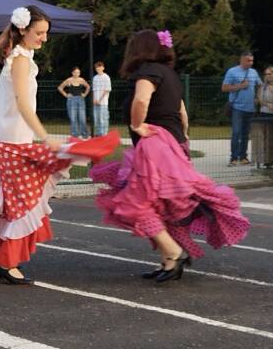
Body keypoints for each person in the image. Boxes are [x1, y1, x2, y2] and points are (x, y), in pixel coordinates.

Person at [0, 6, 119, 284]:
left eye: (46, 33)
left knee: (23, 200)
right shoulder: (20, 59)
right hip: (12, 143)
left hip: (14, 140)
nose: (44, 38)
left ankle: (7, 263)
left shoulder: (23, 56)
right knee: (24, 202)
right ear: (22, 29)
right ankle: (7, 265)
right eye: (39, 33)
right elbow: (22, 104)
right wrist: (45, 137)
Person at [91, 30, 250, 282]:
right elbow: (182, 113)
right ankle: (168, 262)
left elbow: (141, 100)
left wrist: (138, 125)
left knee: (135, 204)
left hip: (155, 146)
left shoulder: (147, 72)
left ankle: (174, 252)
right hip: (173, 144)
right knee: (163, 206)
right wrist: (180, 140)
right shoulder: (170, 74)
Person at [222, 51, 262, 166]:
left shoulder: (254, 72)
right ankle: (233, 158)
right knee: (236, 132)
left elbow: (260, 85)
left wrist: (257, 97)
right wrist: (241, 86)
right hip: (237, 108)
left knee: (245, 134)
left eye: (252, 60)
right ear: (242, 60)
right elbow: (224, 88)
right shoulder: (232, 71)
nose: (251, 63)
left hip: (250, 108)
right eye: (248, 60)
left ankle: (243, 157)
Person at [58, 66, 90, 138]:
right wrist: (65, 94)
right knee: (73, 118)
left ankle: (84, 135)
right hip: (71, 100)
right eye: (75, 72)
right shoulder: (69, 80)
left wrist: (85, 94)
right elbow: (60, 87)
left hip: (80, 100)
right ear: (72, 73)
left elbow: (88, 87)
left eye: (78, 72)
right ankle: (74, 135)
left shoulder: (82, 80)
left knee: (82, 118)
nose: (77, 73)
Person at [92, 61, 112, 136]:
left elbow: (107, 90)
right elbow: (93, 90)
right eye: (97, 67)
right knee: (96, 119)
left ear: (103, 68)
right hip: (95, 101)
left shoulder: (106, 77)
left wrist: (100, 99)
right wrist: (94, 99)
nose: (98, 68)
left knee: (103, 119)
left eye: (99, 67)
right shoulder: (95, 78)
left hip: (103, 102)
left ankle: (104, 134)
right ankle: (98, 134)